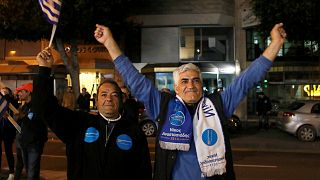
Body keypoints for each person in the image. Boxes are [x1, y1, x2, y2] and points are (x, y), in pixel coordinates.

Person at [94, 22, 286, 179]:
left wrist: (276, 43)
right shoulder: (162, 105)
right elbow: (133, 79)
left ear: (201, 84)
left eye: (195, 80)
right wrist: (109, 41)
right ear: (176, 87)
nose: (190, 85)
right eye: (184, 81)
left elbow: (248, 78)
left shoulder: (218, 104)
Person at [32, 49, 153, 180]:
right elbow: (44, 108)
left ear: (122, 100)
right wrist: (44, 69)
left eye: (114, 95)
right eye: (104, 95)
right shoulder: (79, 124)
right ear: (96, 101)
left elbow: (143, 172)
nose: (108, 99)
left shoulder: (134, 132)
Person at [14, 82, 48, 180]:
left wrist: (23, 117)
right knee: (30, 171)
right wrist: (13, 118)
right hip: (25, 142)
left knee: (31, 173)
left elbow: (36, 125)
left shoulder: (37, 107)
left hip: (34, 144)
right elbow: (22, 125)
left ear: (28, 92)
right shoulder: (25, 106)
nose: (18, 94)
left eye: (21, 91)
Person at [0, 87, 18, 180]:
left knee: (8, 151)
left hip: (8, 130)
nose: (2, 92)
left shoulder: (12, 101)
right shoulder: (1, 102)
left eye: (5, 91)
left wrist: (6, 94)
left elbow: (15, 108)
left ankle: (11, 172)